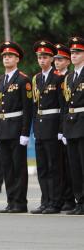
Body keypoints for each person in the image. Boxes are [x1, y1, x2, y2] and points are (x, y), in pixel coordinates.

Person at [0, 41, 32, 213]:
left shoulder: (23, 80)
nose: (7, 58)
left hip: (16, 129)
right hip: (2, 129)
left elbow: (27, 108)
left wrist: (25, 132)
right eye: (5, 56)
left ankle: (20, 202)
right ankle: (11, 201)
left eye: (10, 56)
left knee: (18, 167)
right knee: (7, 167)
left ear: (17, 59)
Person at [30, 41, 64, 214]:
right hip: (40, 126)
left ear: (51, 59)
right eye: (39, 57)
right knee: (42, 167)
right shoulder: (37, 78)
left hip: (53, 125)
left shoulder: (58, 78)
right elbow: (35, 105)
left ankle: (55, 202)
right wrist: (35, 127)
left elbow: (63, 105)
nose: (42, 60)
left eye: (45, 57)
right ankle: (45, 200)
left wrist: (60, 130)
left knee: (53, 166)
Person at [62, 36, 84, 215]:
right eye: (72, 52)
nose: (74, 55)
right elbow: (65, 104)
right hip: (71, 124)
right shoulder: (69, 77)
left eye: (78, 52)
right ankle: (80, 201)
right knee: (74, 166)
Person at [54, 43, 75, 211]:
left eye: (60, 59)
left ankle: (70, 199)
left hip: (70, 125)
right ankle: (63, 198)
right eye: (56, 59)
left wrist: (63, 129)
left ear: (67, 61)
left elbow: (65, 107)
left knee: (69, 165)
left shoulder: (69, 77)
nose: (57, 62)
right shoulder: (59, 78)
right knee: (59, 166)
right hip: (57, 127)